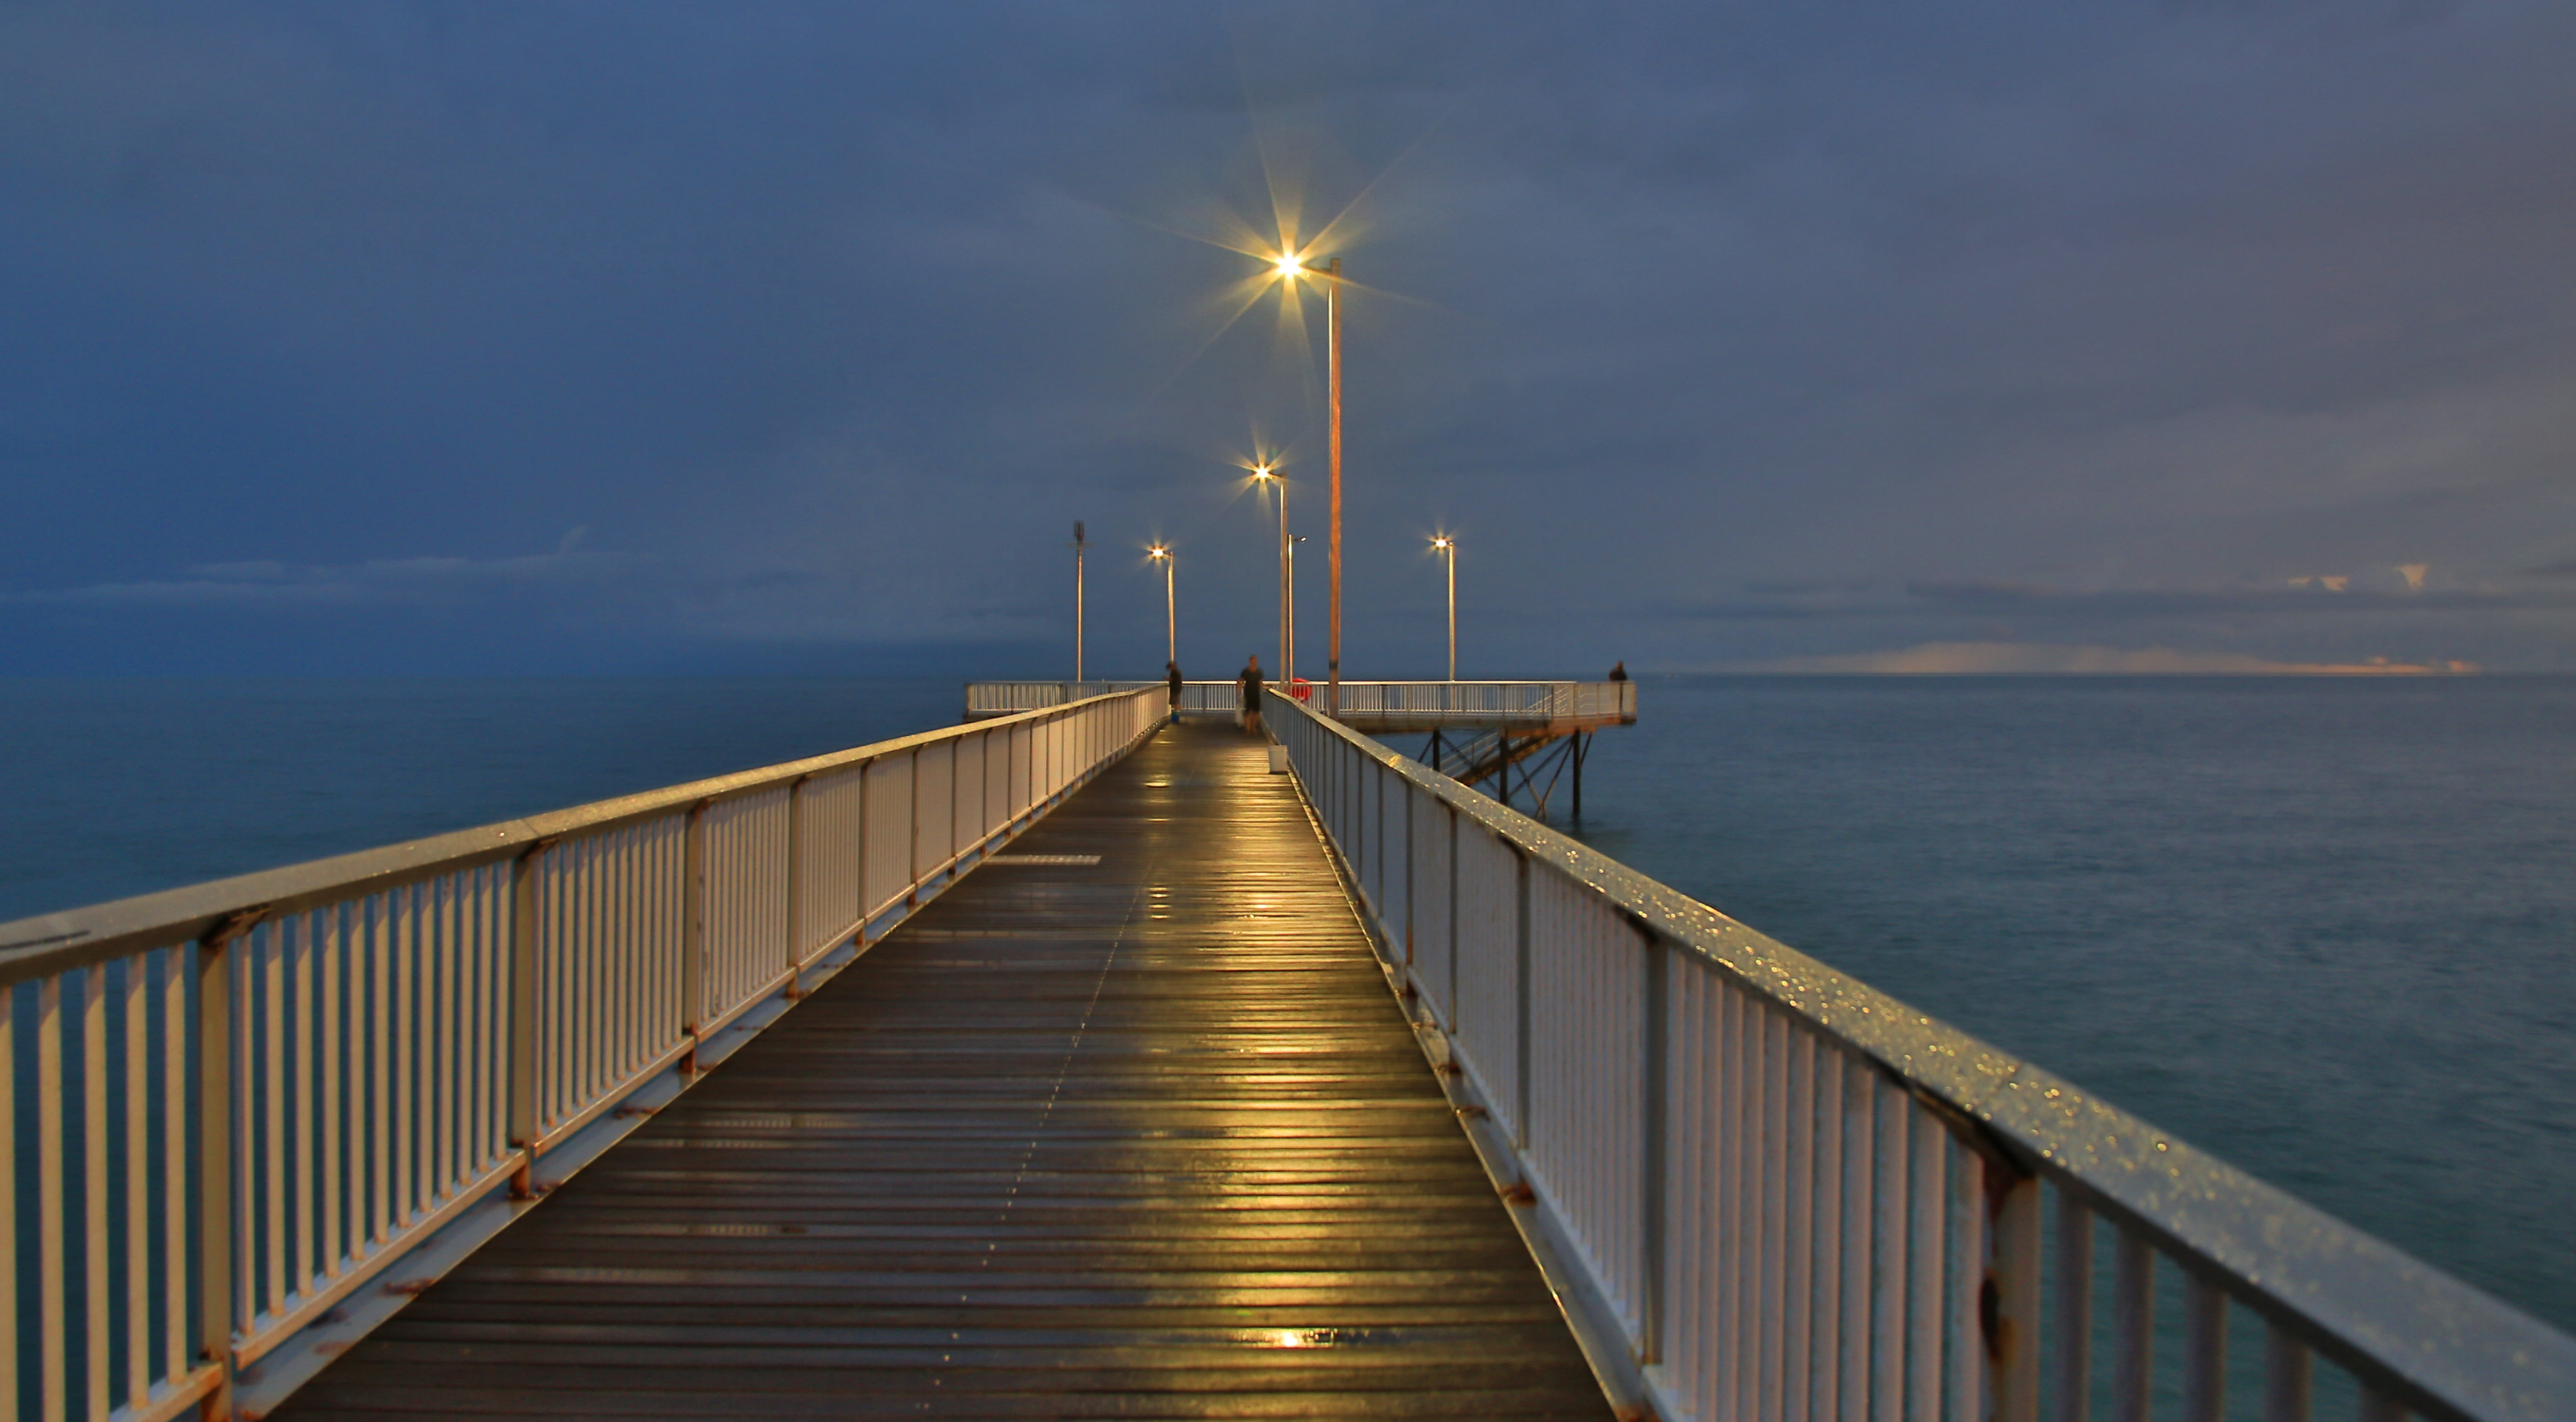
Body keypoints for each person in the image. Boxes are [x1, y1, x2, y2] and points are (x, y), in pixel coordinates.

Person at [1238, 654, 1263, 734]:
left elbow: (1260, 683)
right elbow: (1242, 681)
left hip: (1256, 693)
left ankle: (1254, 728)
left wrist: (1266, 687)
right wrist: (1240, 687)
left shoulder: (1259, 672)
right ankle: (1248, 728)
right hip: (1248, 693)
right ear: (1250, 661)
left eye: (1255, 660)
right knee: (1248, 711)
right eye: (1253, 660)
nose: (1254, 662)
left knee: (1256, 712)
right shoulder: (1245, 672)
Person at [1165, 660, 1183, 724]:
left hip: (1175, 690)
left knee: (1175, 704)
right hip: (1178, 689)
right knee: (1176, 703)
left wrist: (1166, 678)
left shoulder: (1174, 672)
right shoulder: (1178, 671)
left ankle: (1176, 718)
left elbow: (1172, 680)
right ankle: (1176, 717)